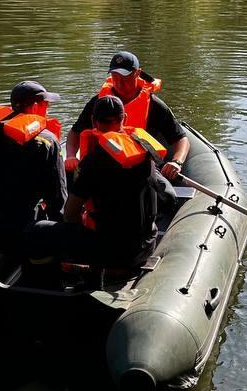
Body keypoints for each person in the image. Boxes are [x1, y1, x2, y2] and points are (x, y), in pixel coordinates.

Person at [31, 96, 175, 272]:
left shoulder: (92, 162)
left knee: (36, 231)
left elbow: (70, 215)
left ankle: (55, 279)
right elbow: (166, 194)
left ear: (93, 121)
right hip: (145, 247)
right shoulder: (146, 152)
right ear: (125, 119)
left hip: (111, 253)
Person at [0, 80, 67, 256]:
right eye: (46, 105)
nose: (48, 110)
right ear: (36, 107)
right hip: (27, 232)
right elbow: (57, 197)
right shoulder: (47, 141)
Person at [65, 51, 189, 181]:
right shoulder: (99, 102)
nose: (119, 83)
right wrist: (71, 156)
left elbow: (181, 138)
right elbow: (75, 132)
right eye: (115, 77)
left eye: (125, 78)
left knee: (168, 195)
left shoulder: (154, 105)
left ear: (137, 73)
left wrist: (177, 162)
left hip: (139, 167)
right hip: (101, 164)